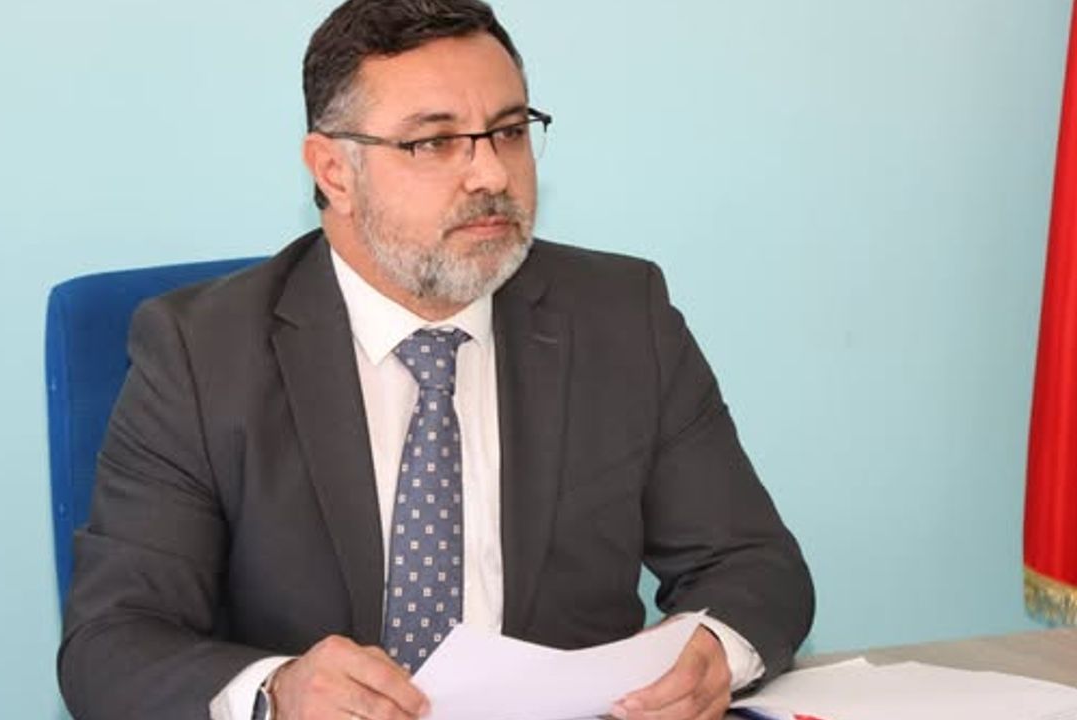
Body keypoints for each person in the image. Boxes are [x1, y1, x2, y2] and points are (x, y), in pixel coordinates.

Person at [57, 1, 814, 719]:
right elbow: (112, 640)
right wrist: (278, 692)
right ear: (334, 171)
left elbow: (754, 566)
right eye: (433, 142)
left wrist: (715, 651)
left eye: (509, 132)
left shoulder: (621, 318)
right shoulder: (200, 353)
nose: (491, 175)